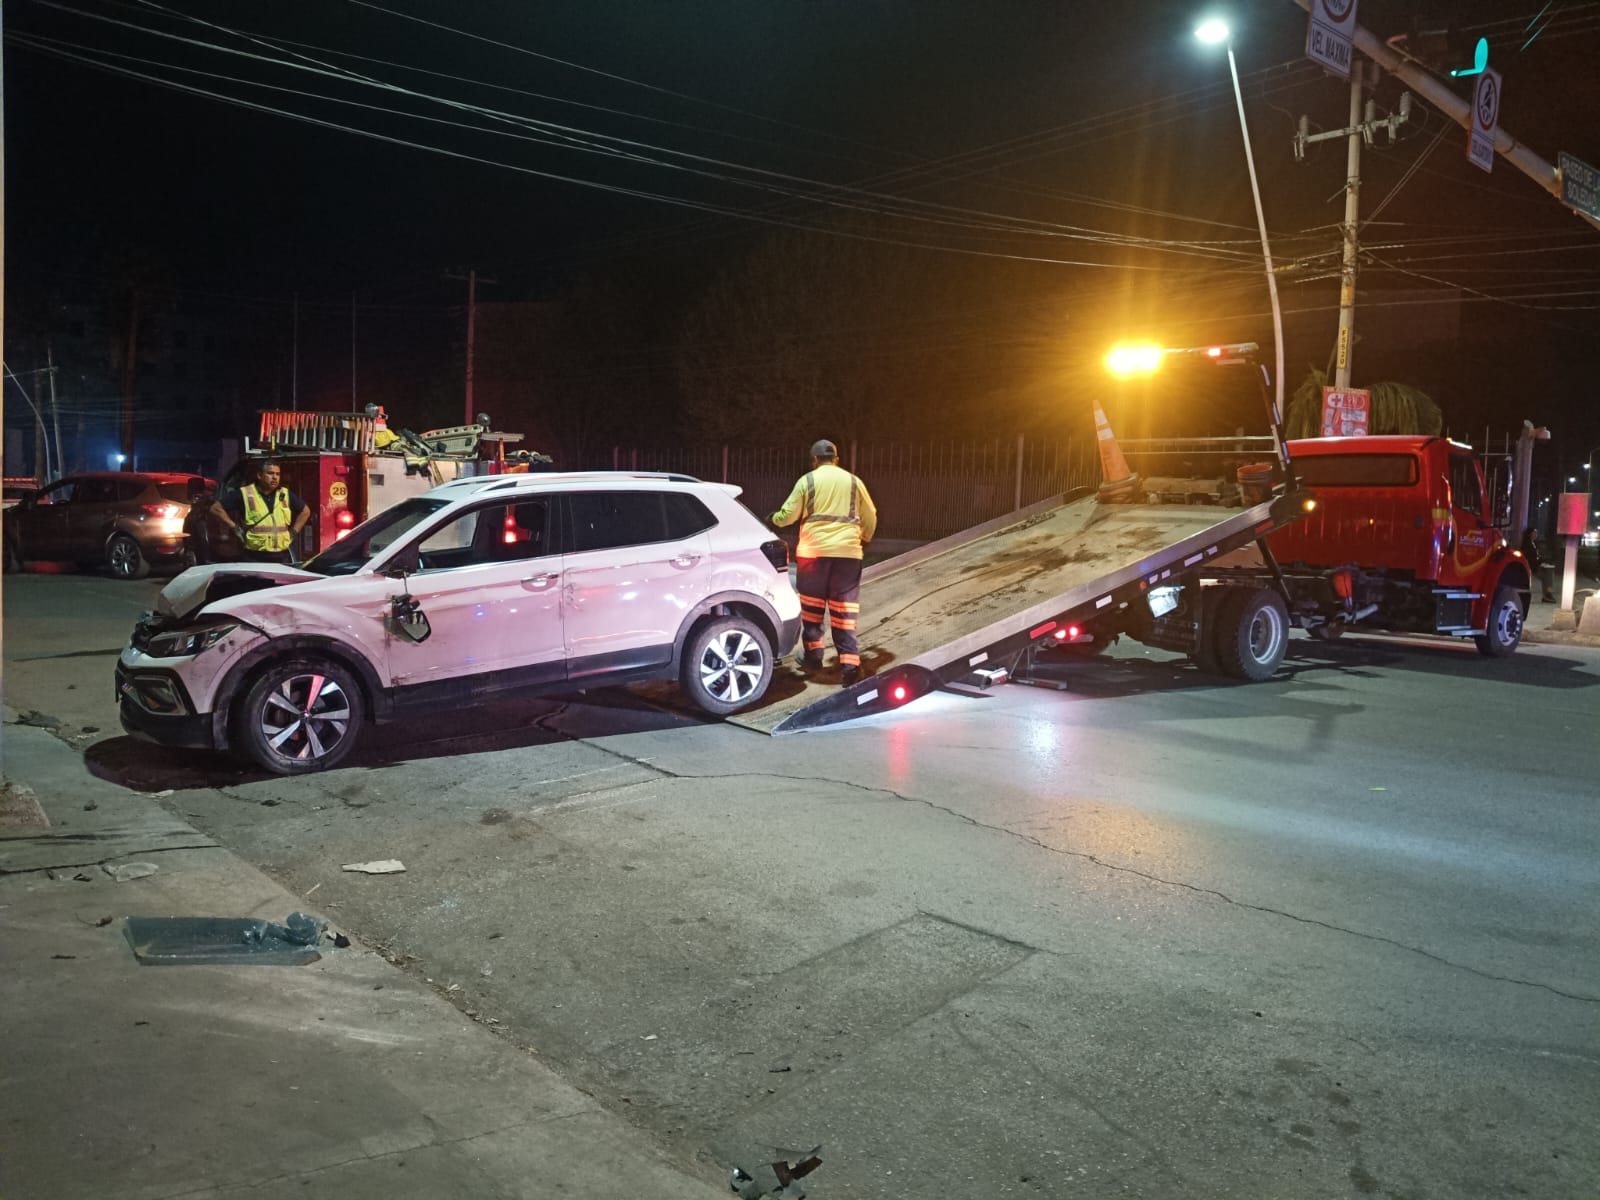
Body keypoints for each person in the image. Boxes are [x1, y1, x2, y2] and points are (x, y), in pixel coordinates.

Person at [771, 439, 878, 686]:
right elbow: (870, 515)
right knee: (844, 612)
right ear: (836, 460)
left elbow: (788, 515)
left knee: (812, 610)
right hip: (847, 556)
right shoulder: (854, 481)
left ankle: (813, 658)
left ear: (815, 460)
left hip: (813, 555)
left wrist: (774, 519)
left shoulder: (807, 481)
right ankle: (850, 666)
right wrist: (864, 539)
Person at [211, 459, 310, 564]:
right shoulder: (245, 493)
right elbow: (215, 508)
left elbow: (305, 511)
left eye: (278, 474)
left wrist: (293, 532)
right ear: (259, 475)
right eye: (270, 473)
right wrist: (234, 527)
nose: (275, 477)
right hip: (254, 555)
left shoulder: (285, 494)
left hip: (281, 555)